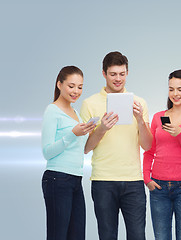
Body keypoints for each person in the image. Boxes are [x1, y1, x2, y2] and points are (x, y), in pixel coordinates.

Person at [80, 51, 153, 240]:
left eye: (122, 74)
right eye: (113, 74)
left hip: (133, 181)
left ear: (127, 73)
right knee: (107, 235)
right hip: (103, 181)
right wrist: (102, 128)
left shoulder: (140, 103)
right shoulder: (90, 103)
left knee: (137, 236)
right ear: (104, 74)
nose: (118, 79)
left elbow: (147, 145)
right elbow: (86, 147)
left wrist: (139, 120)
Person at [143, 69, 181, 240]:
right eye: (171, 89)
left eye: (180, 89)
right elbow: (149, 150)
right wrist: (147, 177)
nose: (175, 94)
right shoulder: (158, 117)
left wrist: (180, 133)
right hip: (158, 188)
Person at [41, 66, 96, 240]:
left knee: (77, 235)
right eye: (71, 86)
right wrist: (73, 134)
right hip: (57, 178)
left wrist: (98, 130)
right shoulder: (52, 111)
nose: (76, 91)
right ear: (59, 84)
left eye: (80, 87)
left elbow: (84, 148)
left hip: (75, 179)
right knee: (58, 235)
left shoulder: (76, 114)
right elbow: (47, 152)